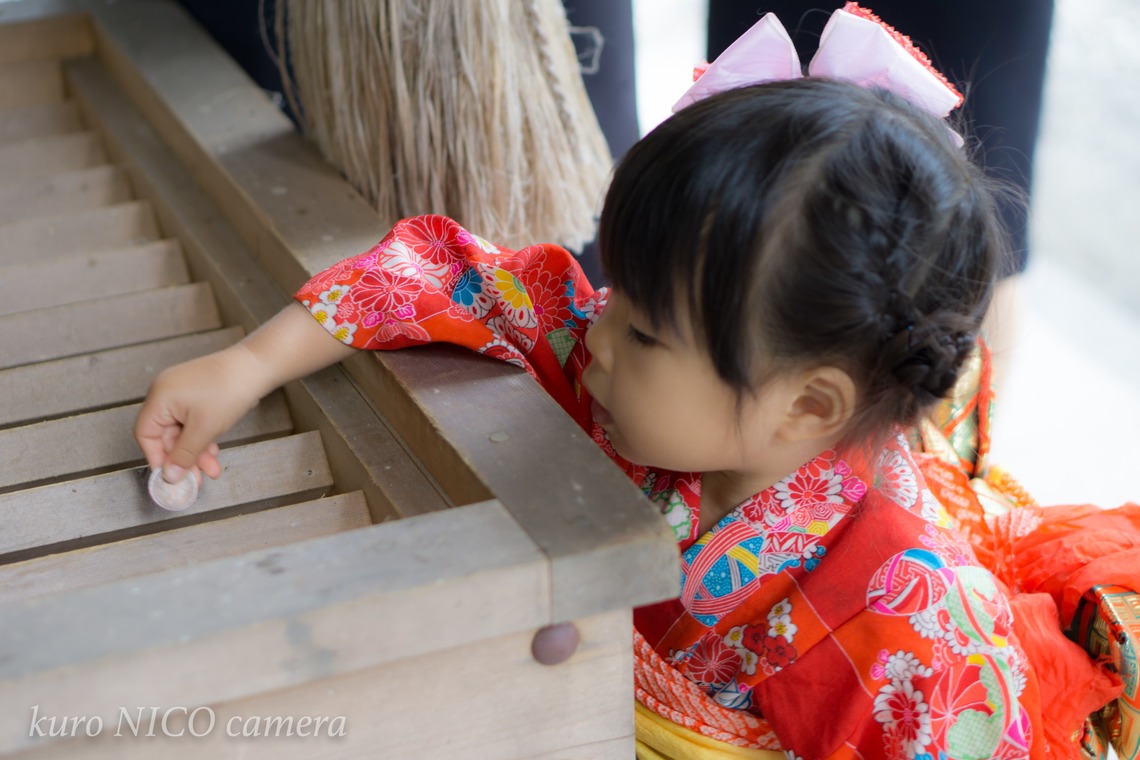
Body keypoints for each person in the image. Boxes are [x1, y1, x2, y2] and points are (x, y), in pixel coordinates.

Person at [136, 5, 1135, 758]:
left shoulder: (915, 627)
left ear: (809, 406)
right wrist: (249, 362)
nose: (597, 336)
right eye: (613, 293)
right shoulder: (629, 364)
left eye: (645, 329)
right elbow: (456, 274)